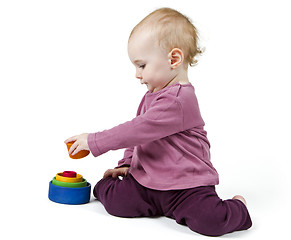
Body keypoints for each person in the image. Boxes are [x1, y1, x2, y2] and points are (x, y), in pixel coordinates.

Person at [64, 7, 252, 236]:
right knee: (114, 201)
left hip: (187, 187)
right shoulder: (152, 96)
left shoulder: (180, 100)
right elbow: (138, 136)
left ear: (174, 58)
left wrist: (94, 141)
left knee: (210, 221)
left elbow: (137, 129)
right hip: (147, 183)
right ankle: (122, 189)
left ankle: (237, 207)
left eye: (142, 65)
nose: (137, 74)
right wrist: (126, 164)